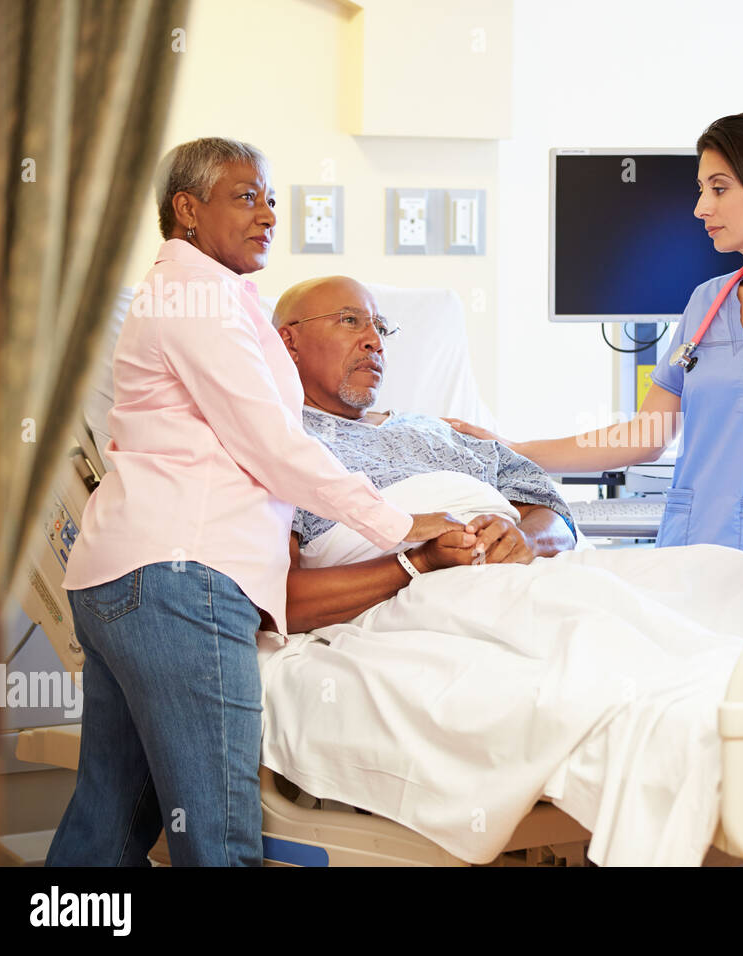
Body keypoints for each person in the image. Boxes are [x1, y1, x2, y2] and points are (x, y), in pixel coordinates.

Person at [49, 138, 466, 867]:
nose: (268, 214)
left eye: (270, 198)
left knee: (106, 831)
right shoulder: (196, 300)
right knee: (221, 840)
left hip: (126, 579)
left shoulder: (212, 297)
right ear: (187, 209)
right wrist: (398, 525)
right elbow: (273, 445)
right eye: (246, 197)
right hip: (181, 582)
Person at [449, 113, 743, 615]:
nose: (700, 207)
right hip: (691, 561)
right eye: (701, 188)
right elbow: (646, 435)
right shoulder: (707, 302)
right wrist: (514, 449)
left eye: (719, 188)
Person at [270, 275, 577, 632]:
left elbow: (555, 515)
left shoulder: (439, 429)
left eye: (380, 328)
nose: (374, 342)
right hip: (425, 613)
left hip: (527, 588)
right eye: (350, 320)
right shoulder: (279, 441)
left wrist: (525, 540)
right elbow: (281, 601)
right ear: (290, 343)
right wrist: (418, 561)